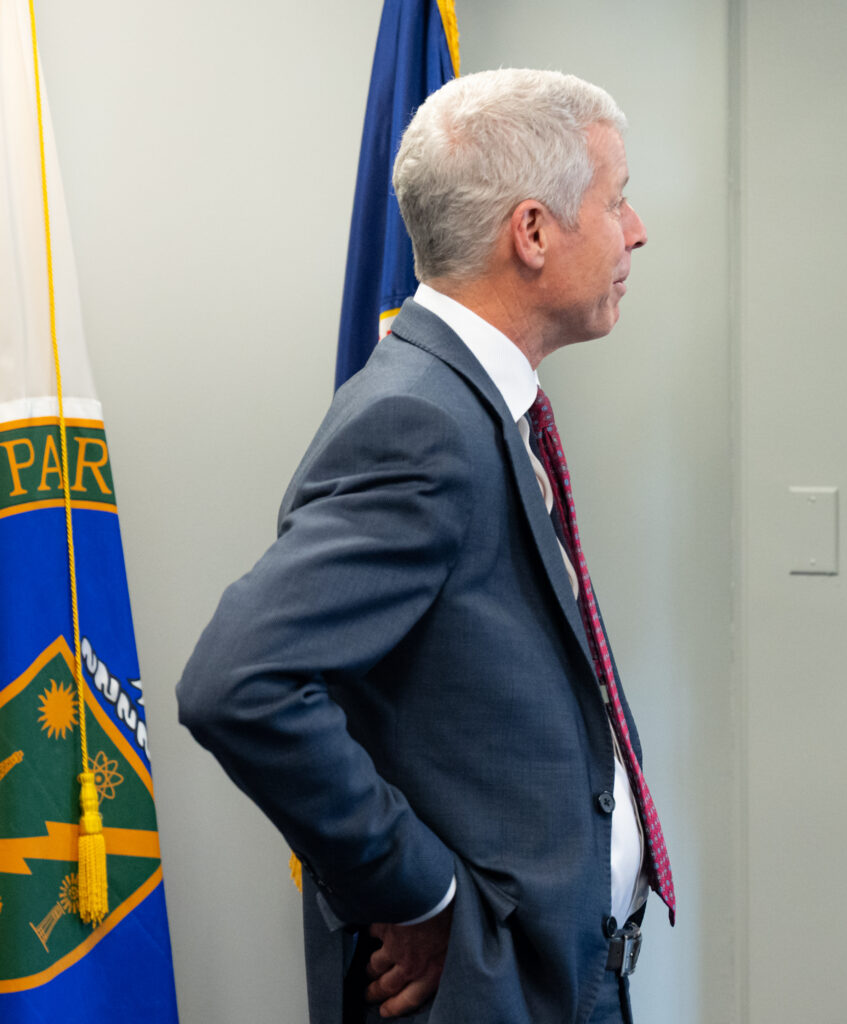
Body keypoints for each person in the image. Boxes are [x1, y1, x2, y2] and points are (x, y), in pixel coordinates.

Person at [178, 69, 668, 1024]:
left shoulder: (472, 401)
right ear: (531, 232)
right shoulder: (419, 420)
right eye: (614, 201)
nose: (635, 228)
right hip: (481, 990)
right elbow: (237, 681)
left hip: (555, 975)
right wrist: (418, 892)